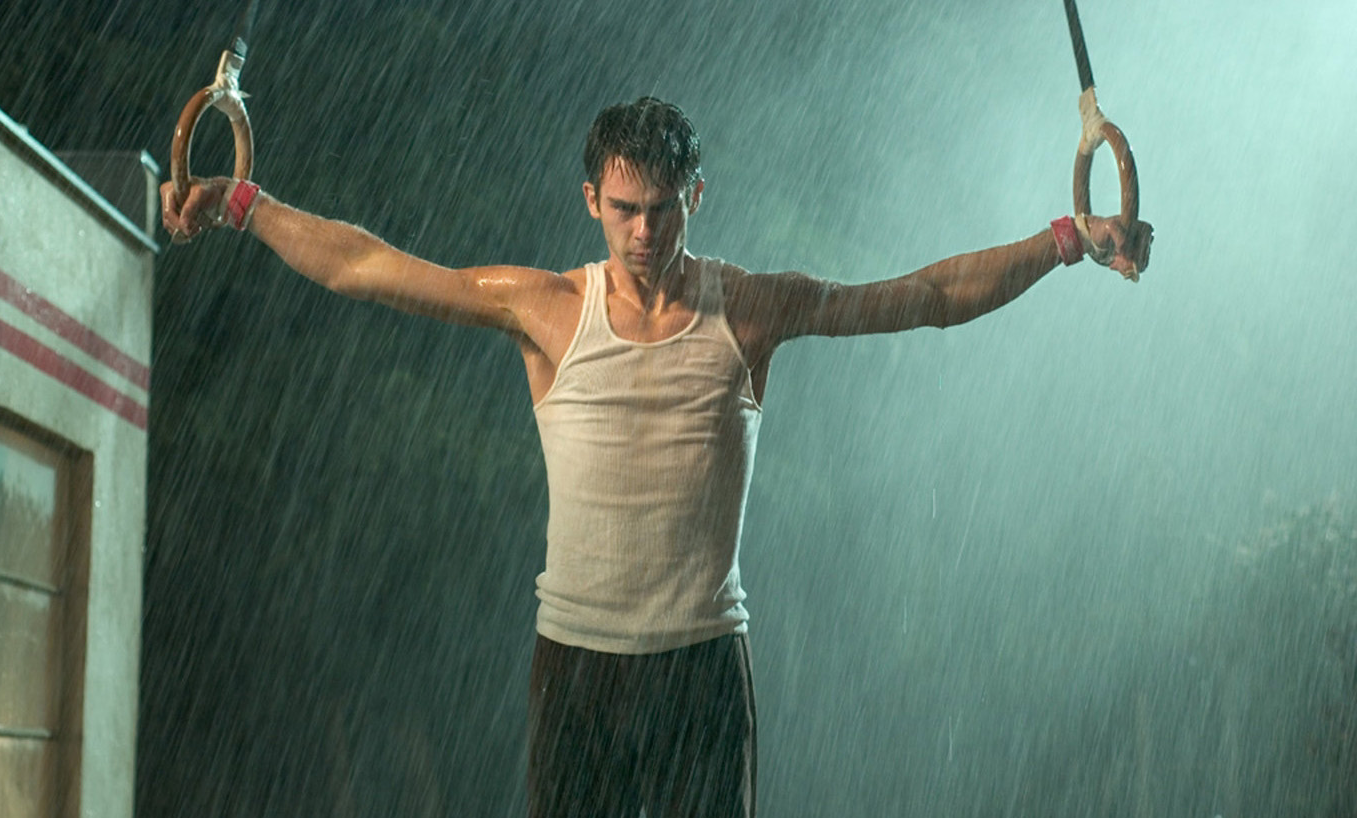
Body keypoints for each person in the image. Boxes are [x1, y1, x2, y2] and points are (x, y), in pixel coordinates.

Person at [162, 96, 1152, 817]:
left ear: (696, 197)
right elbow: (364, 265)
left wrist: (1064, 239)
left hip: (701, 668)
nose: (644, 232)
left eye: (664, 208)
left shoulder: (750, 308)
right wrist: (245, 204)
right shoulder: (544, 307)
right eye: (624, 208)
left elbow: (925, 297)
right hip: (576, 669)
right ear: (590, 199)